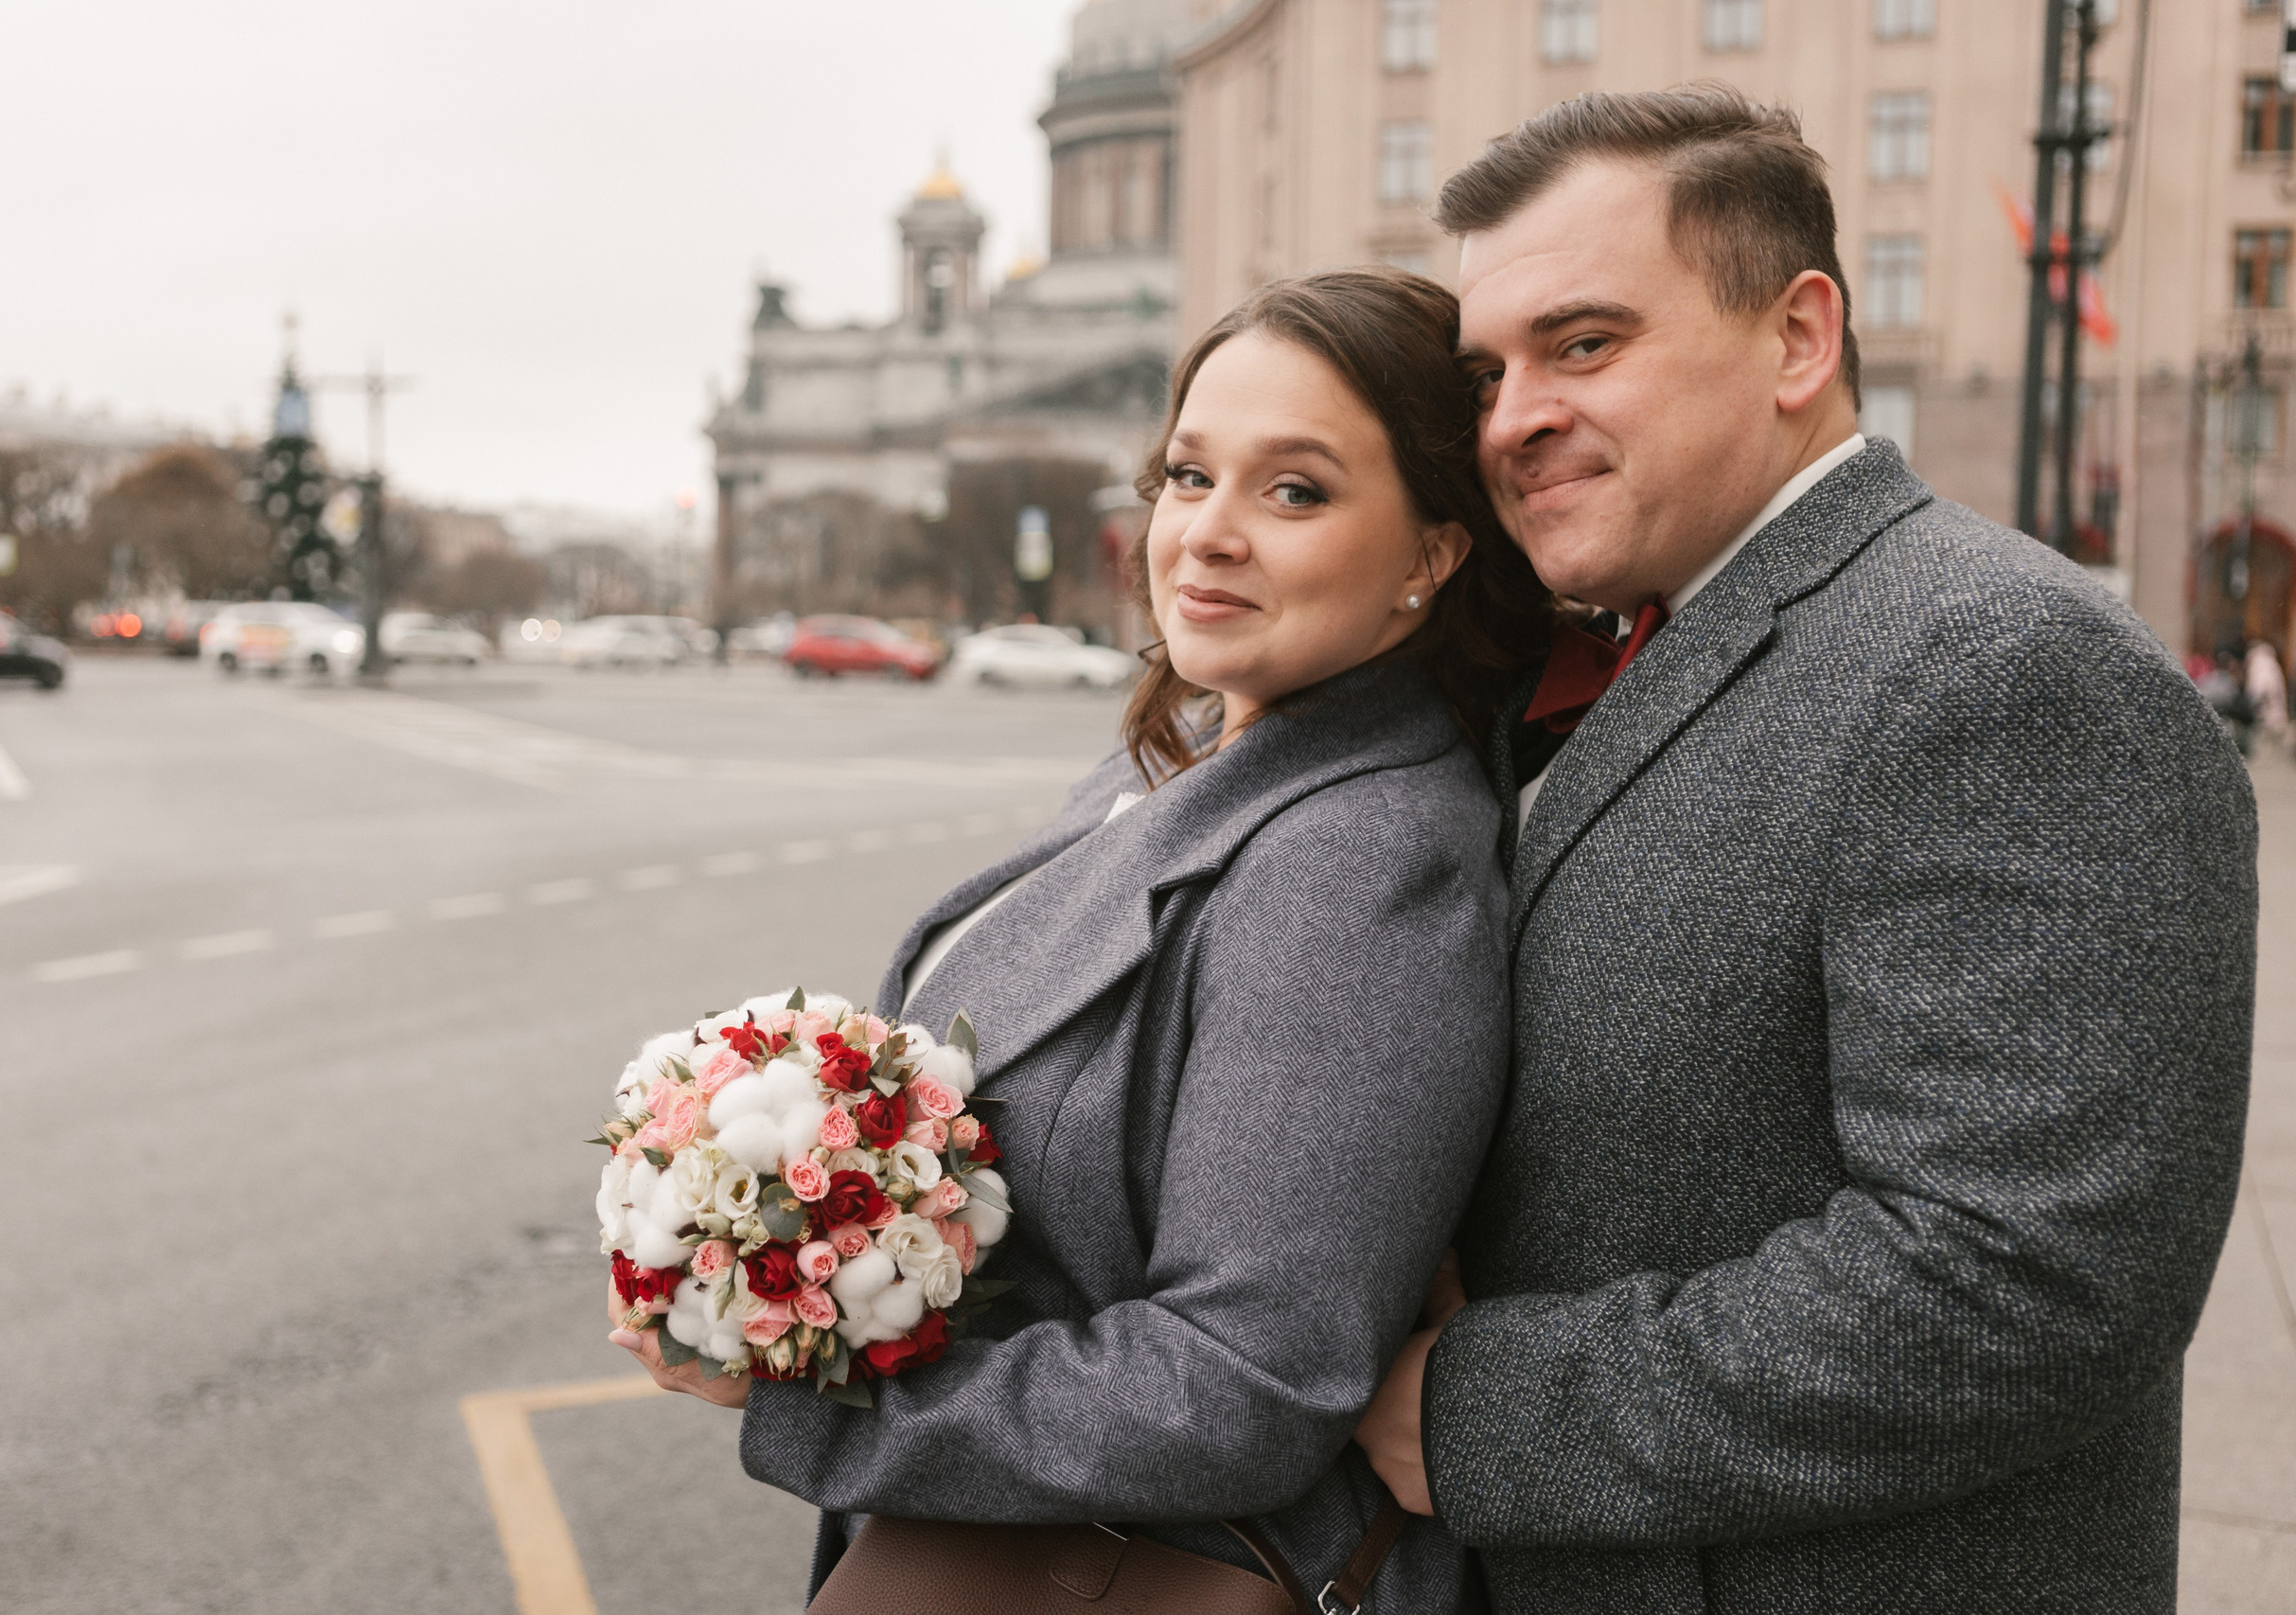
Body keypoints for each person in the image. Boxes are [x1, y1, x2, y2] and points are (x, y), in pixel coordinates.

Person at [1351, 87, 2258, 1613]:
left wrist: (1482, 1412)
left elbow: (2023, 1281)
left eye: (1584, 344)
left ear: (1798, 338)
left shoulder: (1994, 662)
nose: (1511, 417)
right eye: (1489, 373)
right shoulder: (1630, 643)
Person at [609, 267, 1550, 1611]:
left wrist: (809, 1396)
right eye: (1187, 475)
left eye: (1295, 490)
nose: (1207, 534)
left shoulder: (1363, 860)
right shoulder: (1178, 763)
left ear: (1430, 555)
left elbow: (1242, 1384)